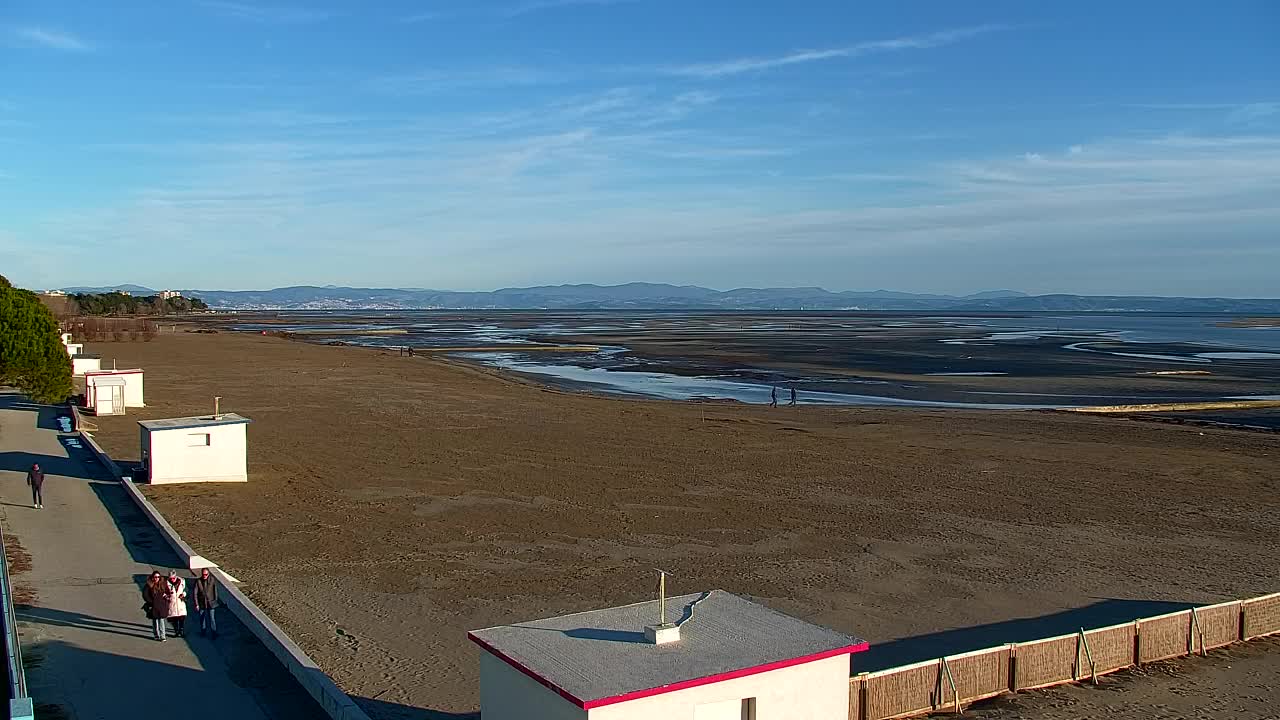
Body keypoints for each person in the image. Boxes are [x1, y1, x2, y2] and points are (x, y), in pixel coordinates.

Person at [143, 571, 170, 641]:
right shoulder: (149, 585)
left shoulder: (163, 584)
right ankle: (156, 635)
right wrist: (151, 602)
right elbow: (145, 595)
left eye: (158, 577)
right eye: (155, 577)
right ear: (152, 577)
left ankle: (163, 636)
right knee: (155, 620)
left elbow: (168, 592)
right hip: (153, 605)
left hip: (161, 605)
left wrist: (166, 597)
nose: (157, 578)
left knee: (161, 620)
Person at [193, 567, 219, 638]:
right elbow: (195, 593)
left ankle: (214, 633)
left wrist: (215, 601)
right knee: (202, 618)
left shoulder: (212, 580)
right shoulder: (198, 581)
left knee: (212, 618)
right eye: (203, 574)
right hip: (201, 603)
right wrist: (196, 604)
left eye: (206, 574)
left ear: (208, 574)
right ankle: (203, 632)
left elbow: (215, 591)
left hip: (211, 602)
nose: (204, 576)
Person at [166, 570, 188, 637]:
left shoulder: (182, 582)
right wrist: (167, 596)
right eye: (171, 578)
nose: (172, 580)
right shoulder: (166, 583)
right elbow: (164, 592)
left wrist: (183, 594)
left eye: (173, 578)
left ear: (176, 577)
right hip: (172, 603)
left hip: (180, 603)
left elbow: (186, 590)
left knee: (181, 618)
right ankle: (176, 632)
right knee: (174, 619)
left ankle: (181, 631)